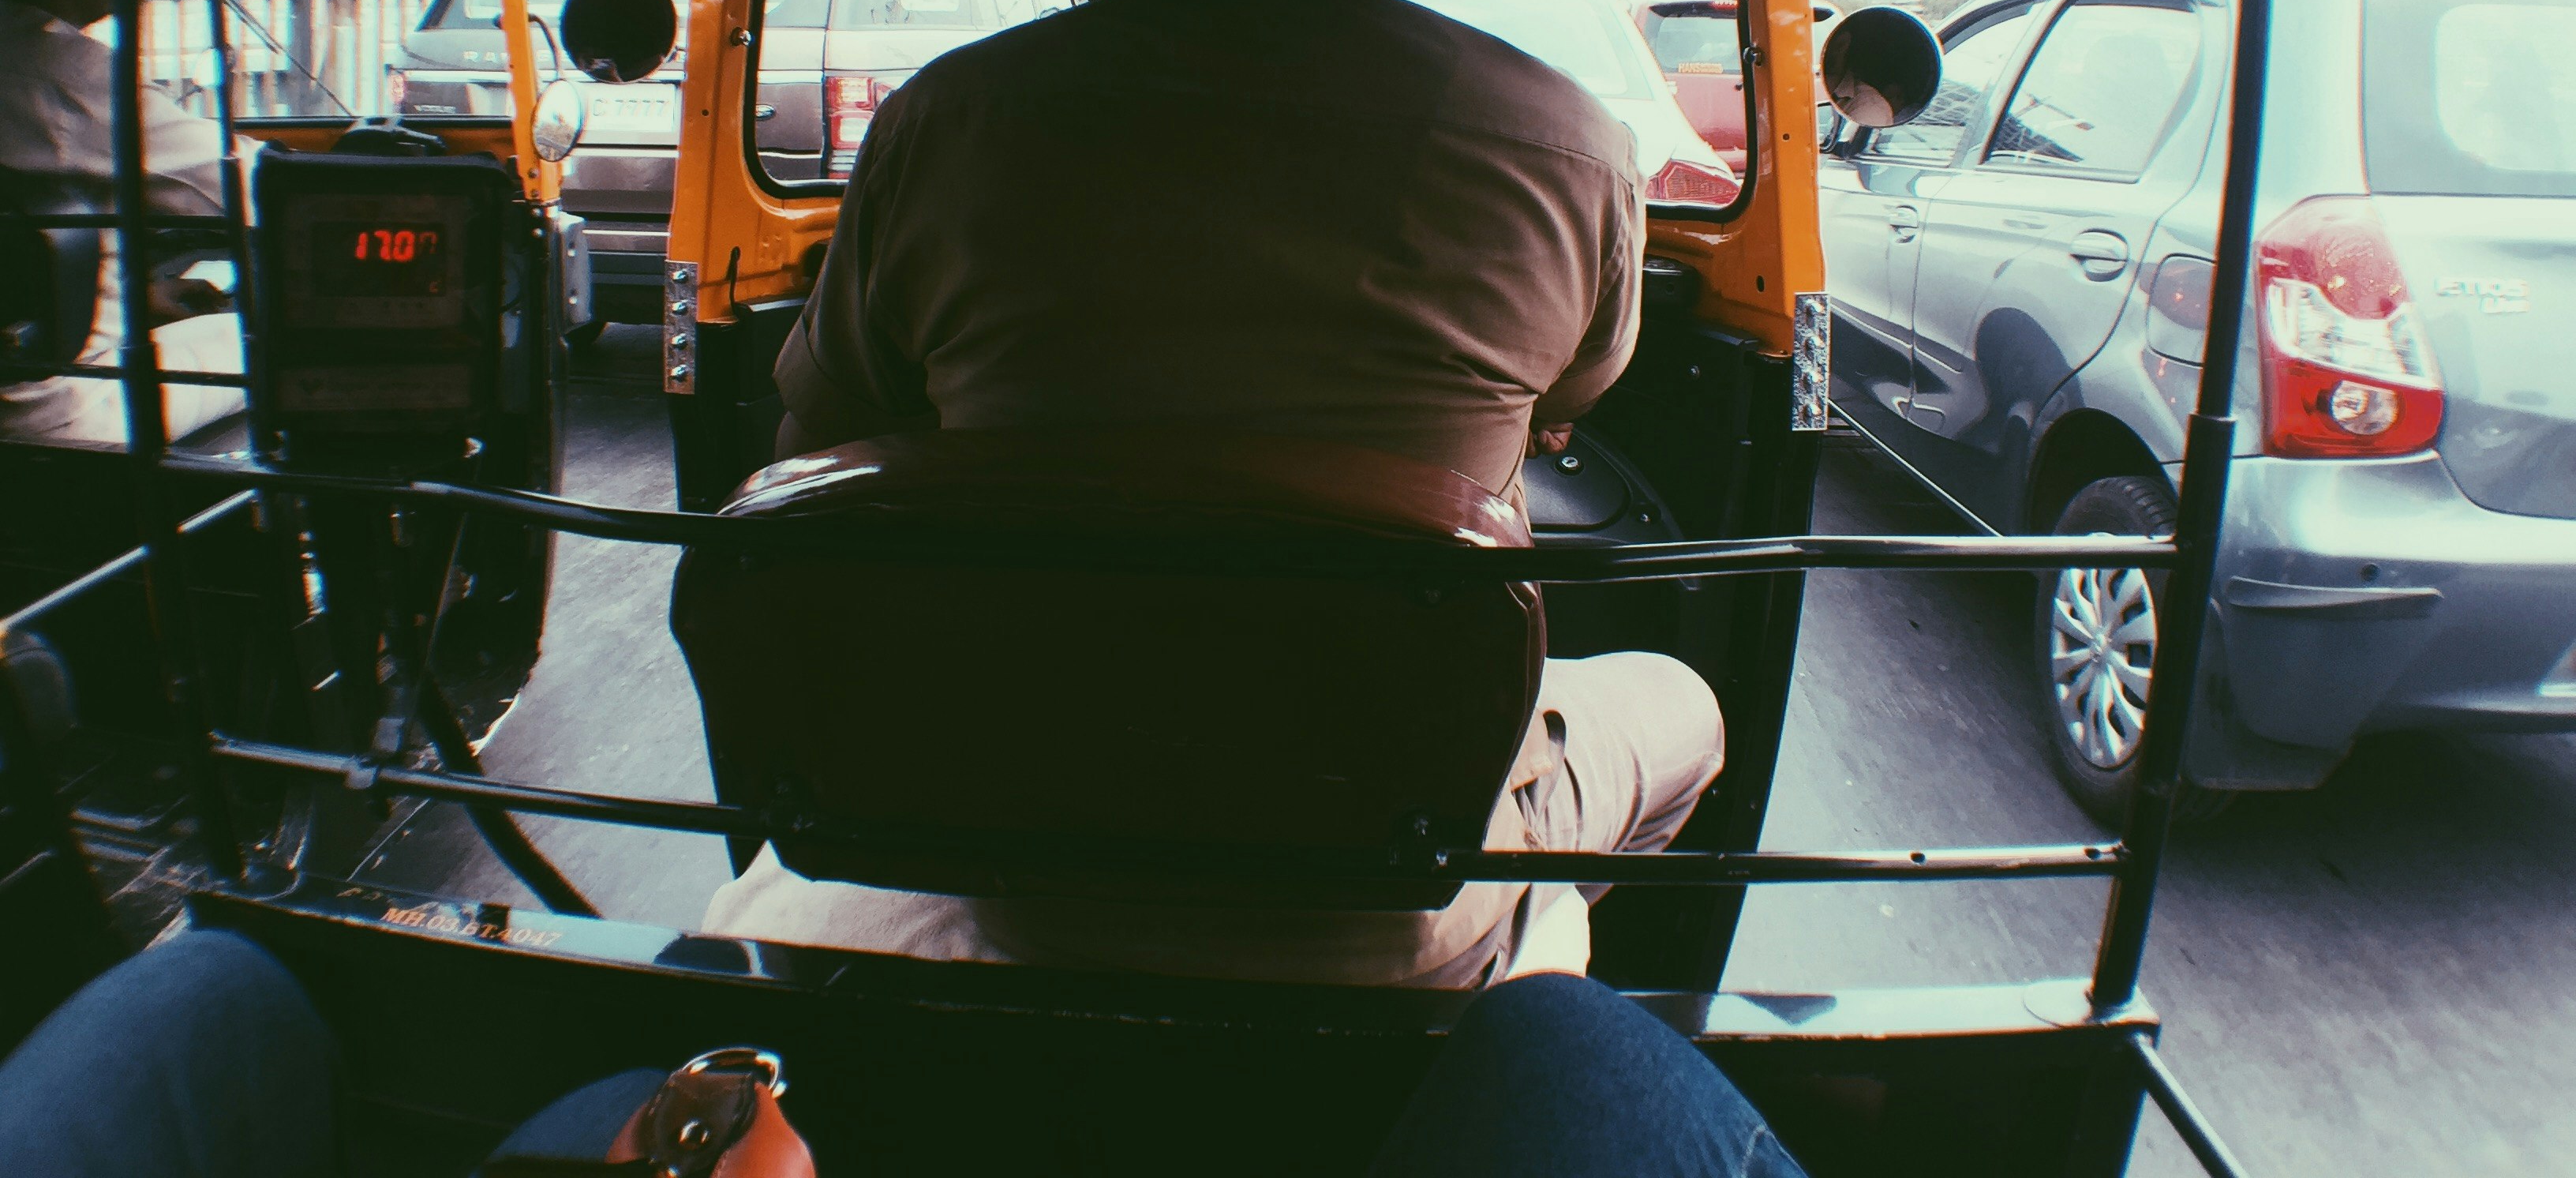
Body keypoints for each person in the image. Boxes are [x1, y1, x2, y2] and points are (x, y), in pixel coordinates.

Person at [733, 0, 1723, 988]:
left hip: (1014, 829)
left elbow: (818, 434)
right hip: (1387, 878)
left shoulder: (949, 121)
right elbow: (1564, 399)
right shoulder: (1563, 144)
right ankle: (1533, 1006)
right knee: (1685, 710)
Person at [0, 931, 1806, 1176]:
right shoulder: (1546, 129)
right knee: (1567, 1021)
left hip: (923, 731)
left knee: (217, 984)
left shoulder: (954, 119)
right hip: (1376, 811)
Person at [0, 0, 242, 448]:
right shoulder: (54, 64)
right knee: (283, 338)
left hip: (29, 364)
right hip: (58, 403)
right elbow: (240, 188)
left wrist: (136, 298)